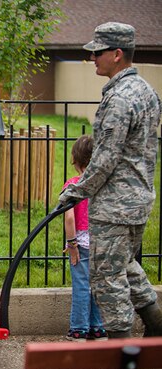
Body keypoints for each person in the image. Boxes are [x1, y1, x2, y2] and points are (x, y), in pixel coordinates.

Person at [59, 22, 162, 338]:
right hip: (139, 201)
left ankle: (122, 351)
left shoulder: (118, 99)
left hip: (115, 207)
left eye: (98, 52)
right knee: (125, 265)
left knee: (106, 277)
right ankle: (157, 329)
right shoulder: (147, 92)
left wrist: (76, 191)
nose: (92, 58)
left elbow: (104, 159)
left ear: (117, 54)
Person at [62, 136, 107, 341]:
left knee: (81, 285)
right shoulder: (102, 185)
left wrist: (72, 244)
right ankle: (98, 328)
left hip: (81, 242)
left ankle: (79, 329)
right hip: (101, 241)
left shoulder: (73, 185)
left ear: (76, 159)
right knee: (98, 285)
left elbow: (69, 217)